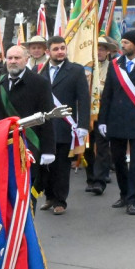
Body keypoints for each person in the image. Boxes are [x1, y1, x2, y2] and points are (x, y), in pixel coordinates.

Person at [96, 30, 135, 216]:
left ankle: (133, 200)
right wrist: (103, 120)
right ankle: (124, 194)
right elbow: (107, 94)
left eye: (127, 42)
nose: (123, 45)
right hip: (116, 121)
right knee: (118, 160)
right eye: (122, 42)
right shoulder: (115, 65)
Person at [0, 45, 56, 209]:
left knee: (27, 193)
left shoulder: (39, 83)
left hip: (30, 146)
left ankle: (27, 229)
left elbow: (47, 116)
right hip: (5, 146)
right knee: (6, 192)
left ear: (26, 59)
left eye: (17, 58)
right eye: (10, 58)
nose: (13, 61)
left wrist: (49, 149)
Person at [38, 36, 90, 214]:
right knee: (46, 165)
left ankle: (60, 201)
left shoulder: (75, 70)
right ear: (48, 52)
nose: (60, 51)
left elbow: (83, 99)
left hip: (64, 126)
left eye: (62, 48)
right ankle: (49, 196)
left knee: (61, 166)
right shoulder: (39, 70)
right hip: (44, 126)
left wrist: (83, 125)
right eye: (56, 49)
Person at [84, 37, 117, 196]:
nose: (99, 52)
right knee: (87, 148)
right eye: (97, 49)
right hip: (86, 112)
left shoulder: (114, 68)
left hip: (104, 112)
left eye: (103, 49)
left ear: (108, 51)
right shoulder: (84, 67)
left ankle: (100, 180)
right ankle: (90, 178)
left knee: (103, 147)